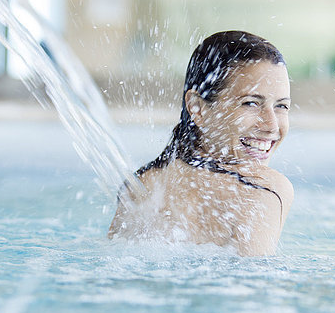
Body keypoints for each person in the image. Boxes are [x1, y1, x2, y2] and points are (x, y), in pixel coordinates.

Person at [108, 31, 293, 256]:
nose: (272, 125)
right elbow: (254, 286)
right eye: (251, 103)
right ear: (198, 107)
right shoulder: (263, 190)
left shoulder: (142, 185)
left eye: (281, 106)